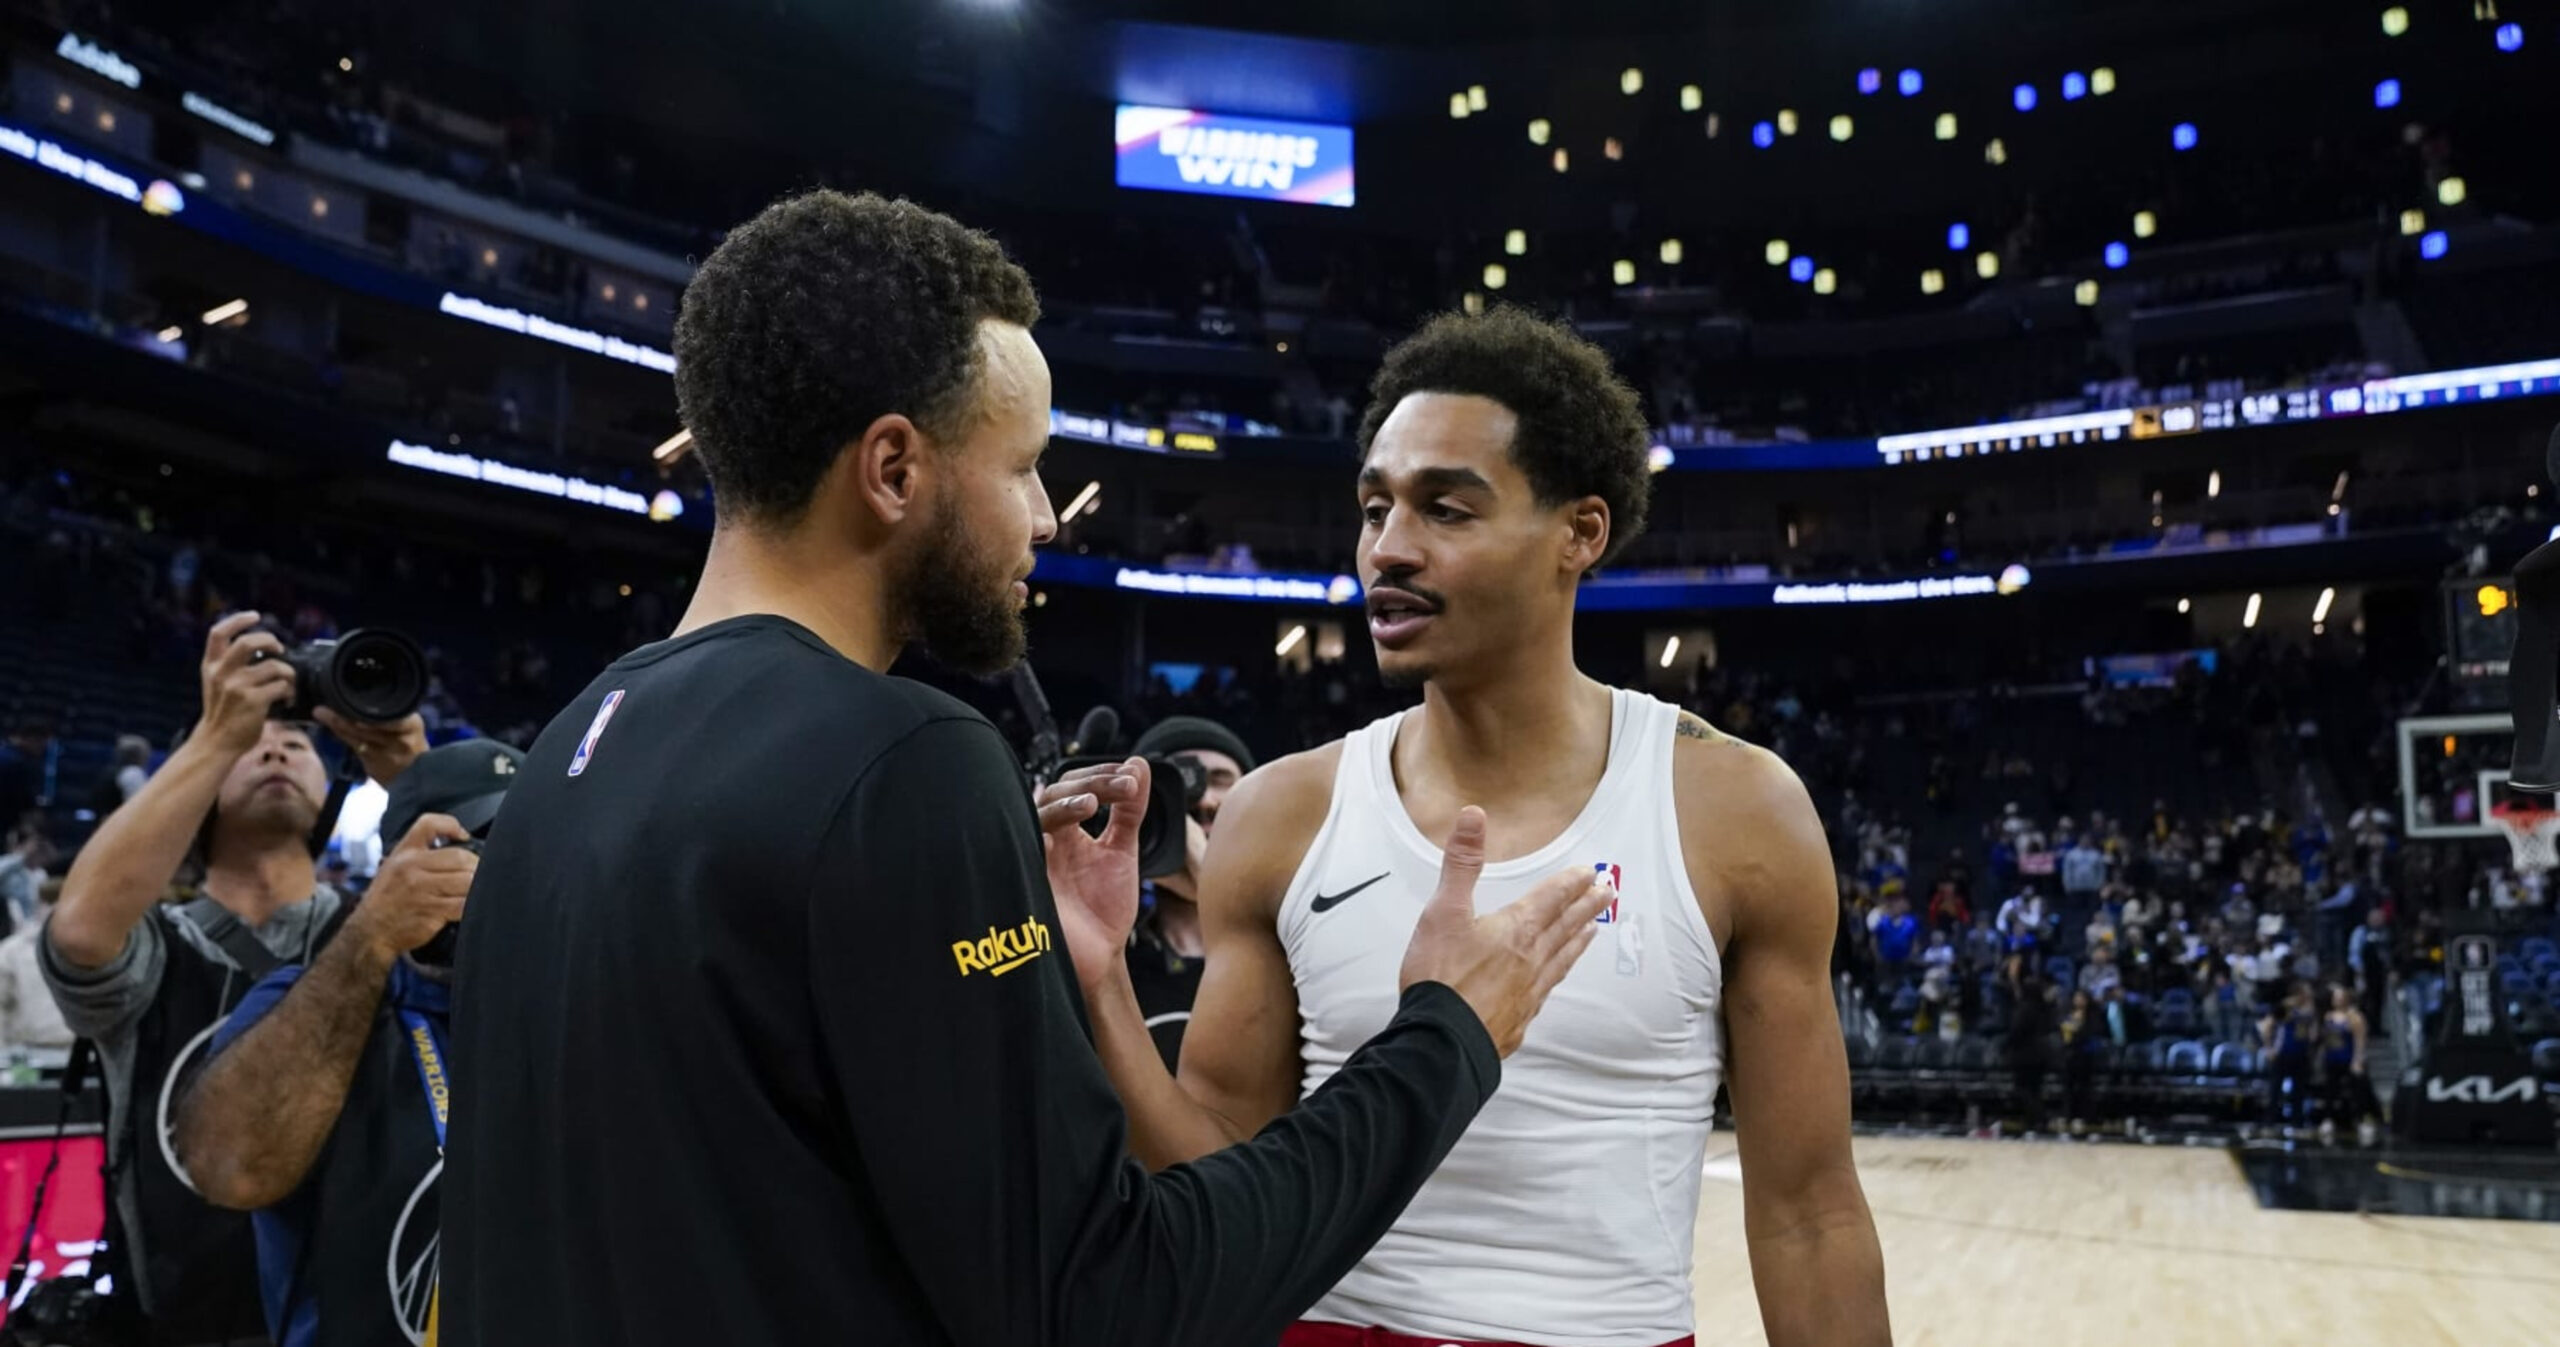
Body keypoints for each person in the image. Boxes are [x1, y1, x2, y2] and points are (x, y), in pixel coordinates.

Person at [439, 190, 1612, 1347]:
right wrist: (1446, 1034)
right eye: (1023, 469)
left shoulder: (567, 754)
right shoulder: (907, 759)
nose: (1046, 519)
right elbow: (1105, 1301)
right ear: (894, 468)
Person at [1053, 307, 1888, 1347]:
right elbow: (1220, 1180)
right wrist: (1099, 981)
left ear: (1579, 533)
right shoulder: (1283, 812)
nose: (1387, 549)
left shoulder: (1734, 809)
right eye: (1372, 508)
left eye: (1445, 510)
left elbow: (1809, 1214)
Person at [43, 613, 425, 1343]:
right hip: (187, 1319)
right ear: (204, 782)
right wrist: (218, 732)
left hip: (355, 1318)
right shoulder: (159, 940)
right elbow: (80, 933)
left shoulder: (389, 921)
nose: (276, 745)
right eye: (254, 744)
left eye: (297, 742)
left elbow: (525, 930)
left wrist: (416, 770)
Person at [174, 740, 518, 1347]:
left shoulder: (573, 994)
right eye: (469, 845)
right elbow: (231, 1173)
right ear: (394, 864)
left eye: (515, 845)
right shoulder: (313, 997)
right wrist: (371, 936)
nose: (491, 870)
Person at [1124, 715, 1255, 1069]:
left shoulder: (1294, 947)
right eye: (1180, 787)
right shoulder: (1112, 953)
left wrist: (1212, 883)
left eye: (1220, 781)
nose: (1204, 802)